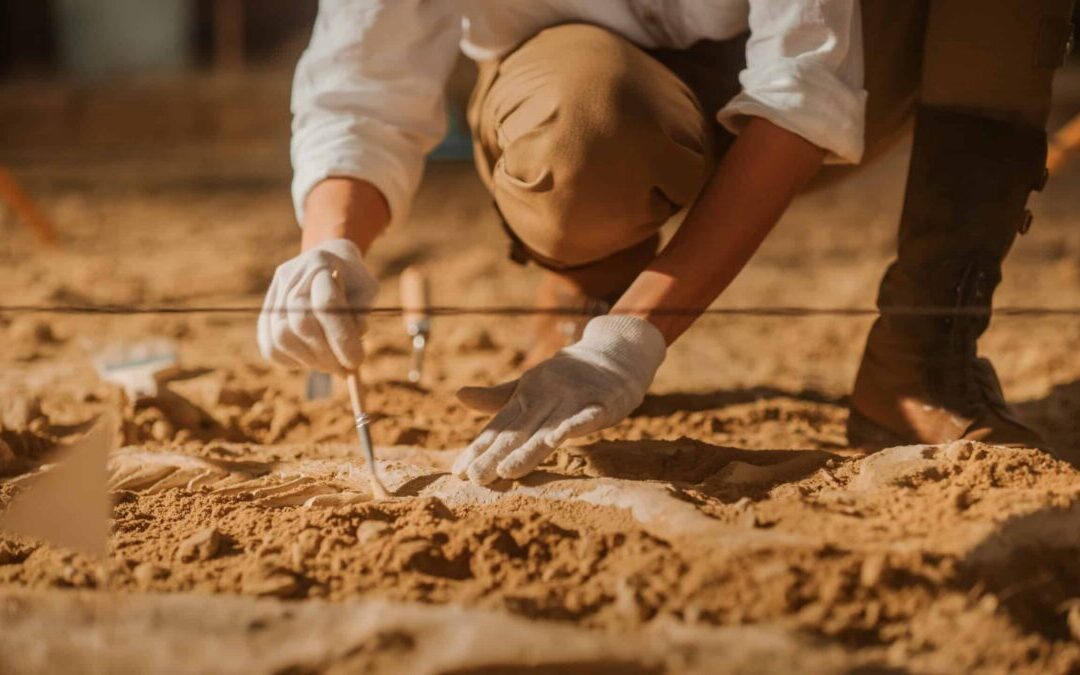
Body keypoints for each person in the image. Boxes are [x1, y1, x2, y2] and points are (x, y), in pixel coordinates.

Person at [258, 1, 1076, 486]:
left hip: (847, 77)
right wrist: (332, 244)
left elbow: (804, 90)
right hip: (585, 89)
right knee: (583, 127)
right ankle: (589, 274)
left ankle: (925, 347)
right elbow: (363, 80)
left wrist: (633, 339)